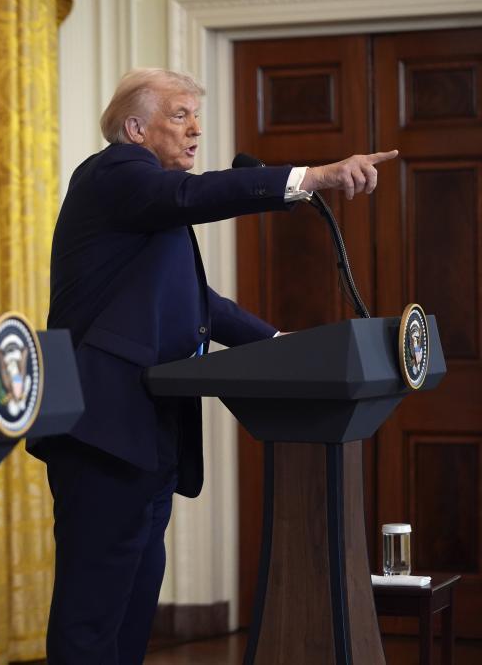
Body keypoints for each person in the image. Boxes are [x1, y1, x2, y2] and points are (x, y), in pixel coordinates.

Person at [30, 67, 397, 664]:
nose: (196, 130)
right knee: (92, 613)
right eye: (180, 116)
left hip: (146, 433)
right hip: (102, 429)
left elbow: (204, 305)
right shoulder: (117, 173)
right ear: (135, 128)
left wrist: (281, 343)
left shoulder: (147, 206)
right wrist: (314, 177)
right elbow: (191, 197)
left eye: (197, 116)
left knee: (131, 610)